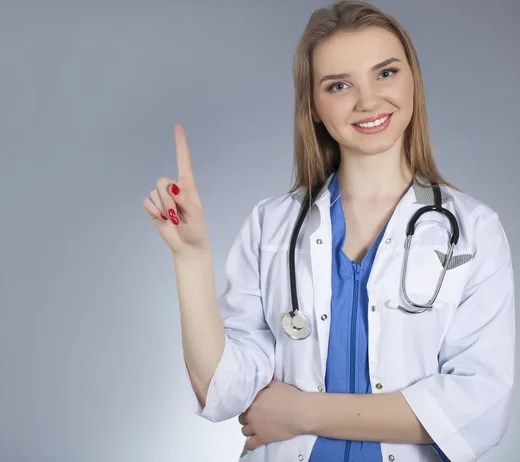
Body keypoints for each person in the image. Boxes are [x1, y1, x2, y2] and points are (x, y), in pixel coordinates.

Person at [142, 1, 515, 461]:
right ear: (315, 107)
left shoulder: (474, 230)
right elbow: (226, 392)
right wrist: (191, 259)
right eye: (339, 85)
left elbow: (479, 406)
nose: (368, 101)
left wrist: (302, 412)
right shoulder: (272, 226)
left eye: (385, 73)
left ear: (413, 80)